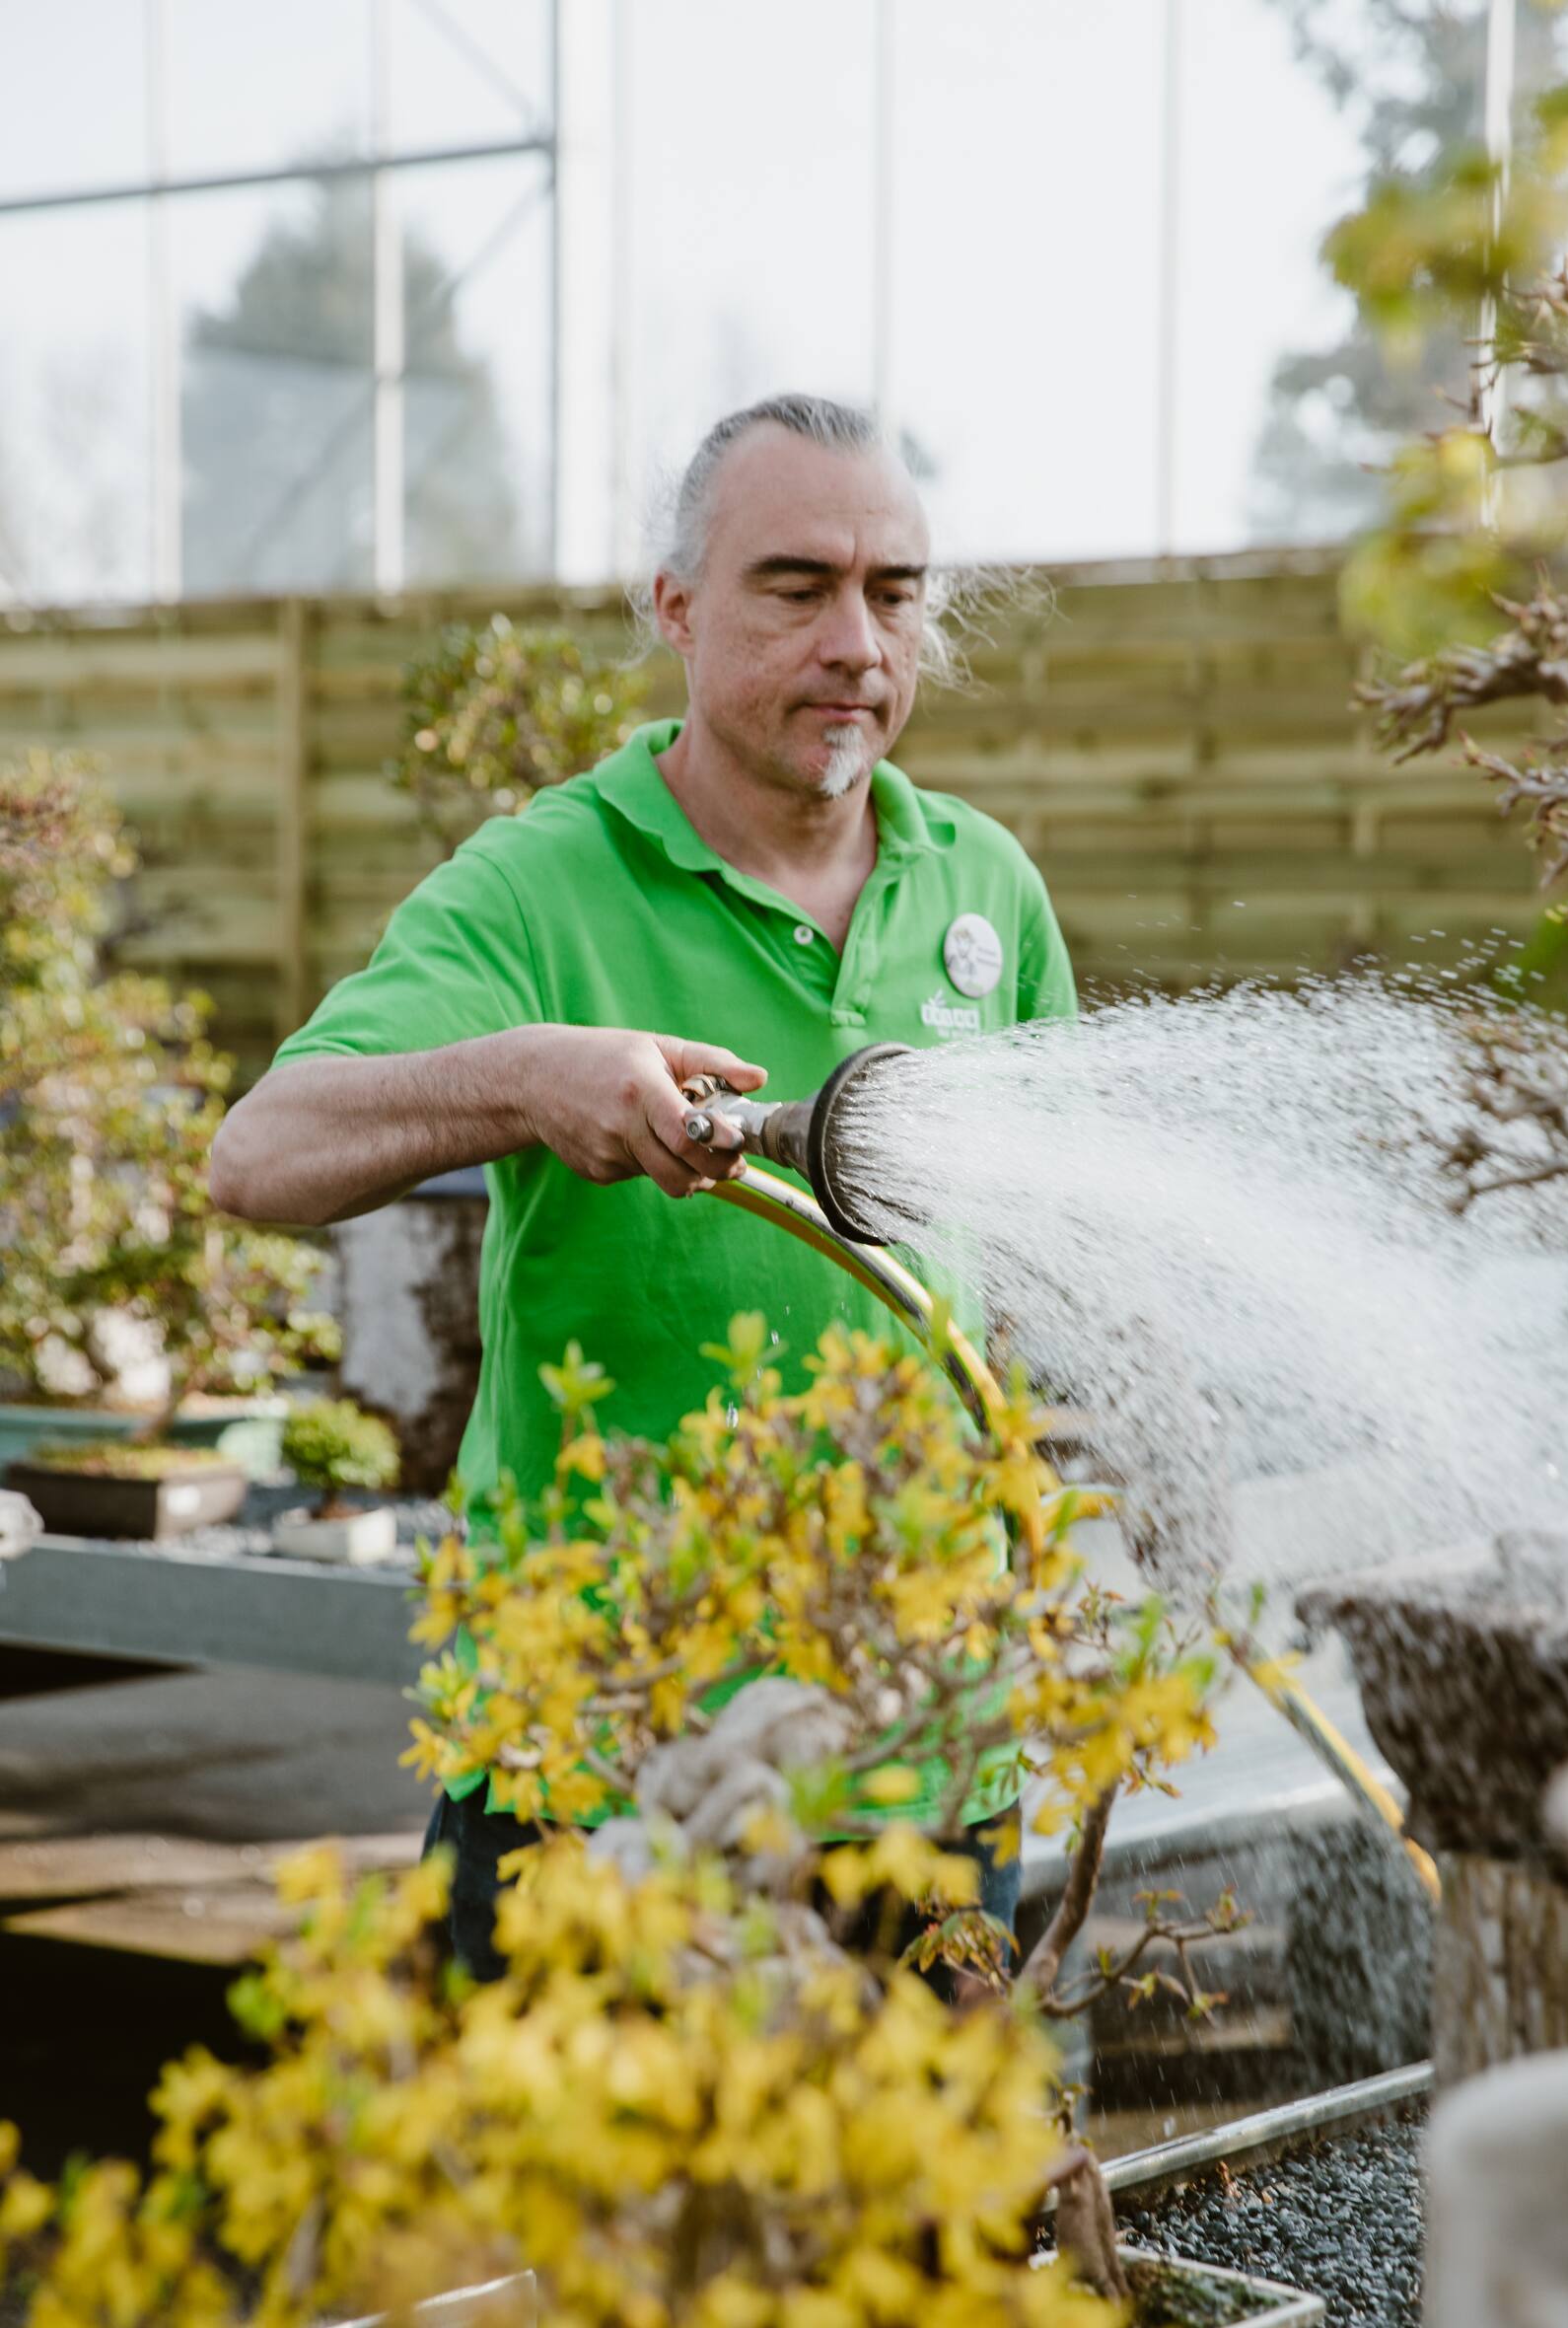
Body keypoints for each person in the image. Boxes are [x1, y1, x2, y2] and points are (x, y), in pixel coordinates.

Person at [210, 393, 1077, 1982]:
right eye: (795, 586)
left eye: (895, 592)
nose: (857, 645)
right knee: (588, 2230)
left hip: (923, 1744)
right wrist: (522, 1076)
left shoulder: (983, 890)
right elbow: (259, 1153)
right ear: (673, 607)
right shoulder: (541, 885)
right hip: (606, 1751)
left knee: (910, 2226)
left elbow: (1042, 1260)